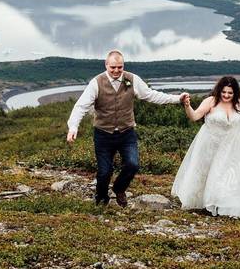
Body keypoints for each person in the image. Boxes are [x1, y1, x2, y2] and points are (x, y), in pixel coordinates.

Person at [67, 50, 187, 206]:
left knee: (133, 164)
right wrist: (73, 127)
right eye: (113, 68)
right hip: (103, 134)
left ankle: (119, 188)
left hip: (127, 133)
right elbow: (81, 106)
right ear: (106, 65)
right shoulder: (96, 83)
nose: (116, 71)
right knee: (104, 171)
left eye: (120, 67)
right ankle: (101, 197)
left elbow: (151, 95)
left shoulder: (132, 79)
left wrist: (177, 99)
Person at [172, 76, 240, 219]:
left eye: (230, 93)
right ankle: (204, 202)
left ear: (235, 93)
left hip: (231, 147)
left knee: (227, 176)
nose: (226, 95)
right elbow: (194, 117)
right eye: (224, 92)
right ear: (219, 90)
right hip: (209, 144)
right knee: (204, 174)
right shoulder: (211, 101)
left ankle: (223, 203)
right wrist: (187, 106)